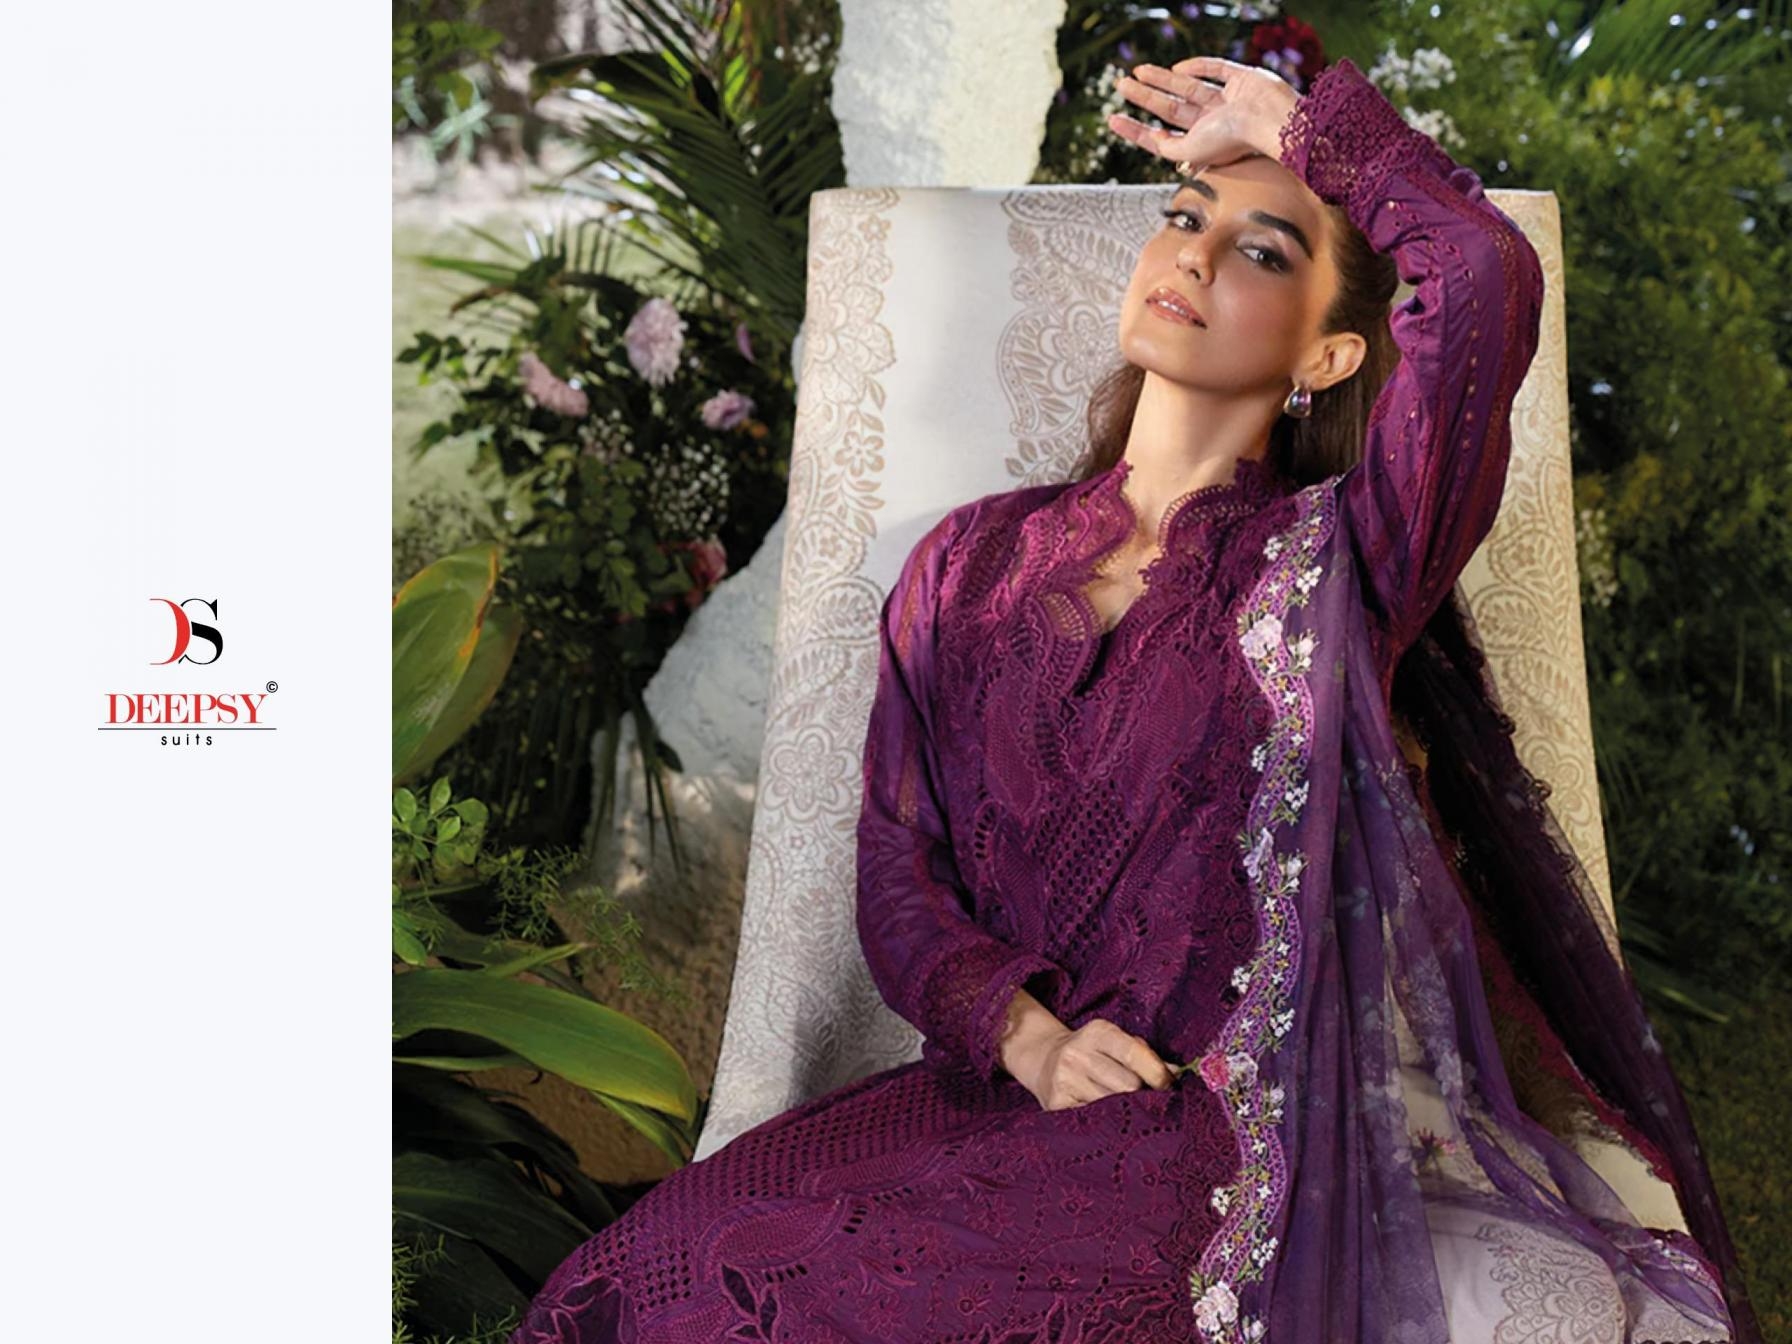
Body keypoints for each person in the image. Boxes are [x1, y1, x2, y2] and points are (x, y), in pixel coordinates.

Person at [509, 55, 1758, 1343]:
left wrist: (1294, 124)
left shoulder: (1344, 559)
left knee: (788, 1296)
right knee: (636, 1274)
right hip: (987, 1088)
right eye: (1184, 218)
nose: (1195, 256)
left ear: (1330, 354)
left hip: (1203, 1137)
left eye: (1262, 251)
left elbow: (1486, 275)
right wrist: (1027, 1037)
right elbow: (897, 869)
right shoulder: (970, 560)